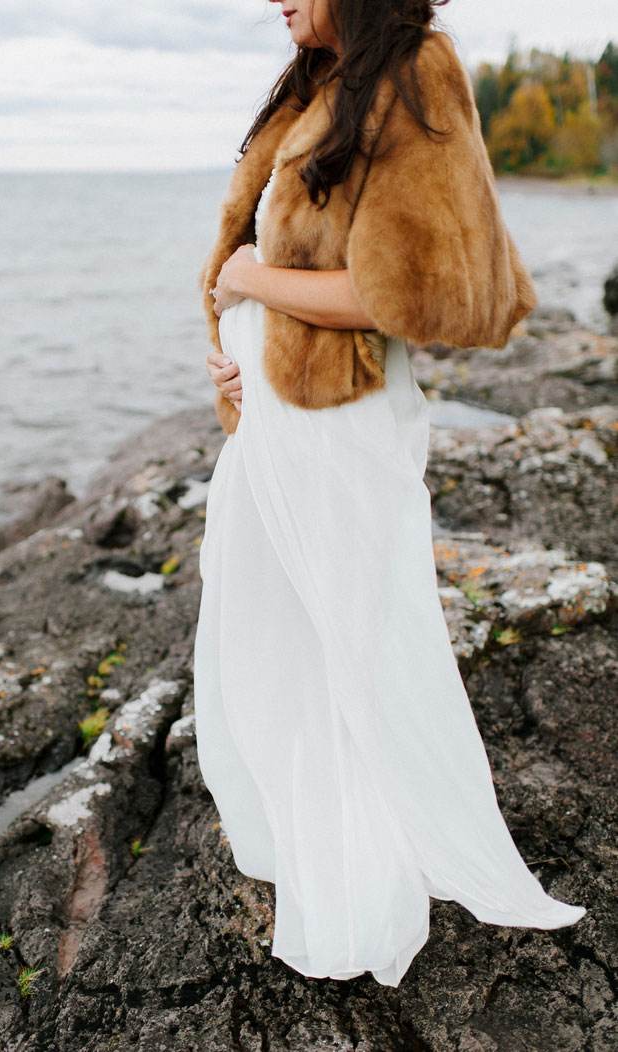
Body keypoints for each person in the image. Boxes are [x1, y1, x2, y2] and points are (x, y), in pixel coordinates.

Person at [193, 0, 586, 987]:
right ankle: (310, 846)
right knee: (269, 639)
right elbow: (265, 260)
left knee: (355, 649)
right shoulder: (320, 85)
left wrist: (251, 284)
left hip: (339, 427)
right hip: (275, 424)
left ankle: (364, 879)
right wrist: (226, 356)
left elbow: (413, 294)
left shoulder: (416, 73)